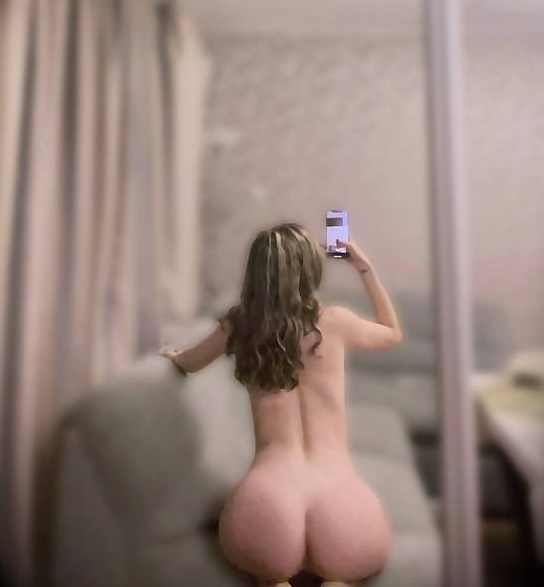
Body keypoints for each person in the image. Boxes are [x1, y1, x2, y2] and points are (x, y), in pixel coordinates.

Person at [157, 222, 403, 587]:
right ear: (311, 270)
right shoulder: (335, 322)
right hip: (341, 505)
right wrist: (362, 266)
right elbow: (392, 333)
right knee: (341, 577)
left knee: (272, 578)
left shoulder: (239, 325)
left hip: (267, 504)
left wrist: (173, 354)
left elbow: (188, 364)